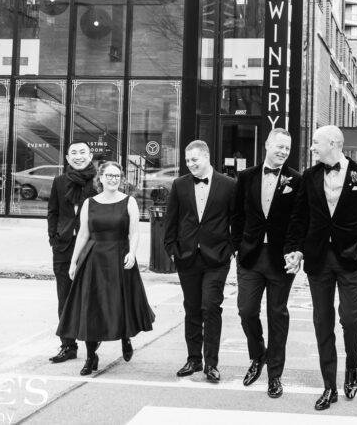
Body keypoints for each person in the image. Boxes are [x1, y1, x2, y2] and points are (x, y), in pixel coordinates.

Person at [285, 125, 357, 412]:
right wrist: (295, 249)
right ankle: (329, 385)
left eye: (316, 143)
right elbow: (298, 217)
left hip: (351, 258)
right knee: (322, 322)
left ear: (334, 144)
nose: (312, 147)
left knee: (351, 319)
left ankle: (351, 363)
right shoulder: (310, 176)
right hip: (318, 259)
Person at [56, 160, 155, 376]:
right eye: (109, 175)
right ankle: (91, 356)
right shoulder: (89, 203)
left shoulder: (129, 202)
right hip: (93, 259)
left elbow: (135, 232)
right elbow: (83, 234)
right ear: (100, 178)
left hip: (119, 256)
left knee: (119, 303)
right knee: (91, 307)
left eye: (116, 176)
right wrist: (73, 262)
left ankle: (125, 338)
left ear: (121, 179)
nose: (113, 179)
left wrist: (132, 252)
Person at [230, 128, 302, 399]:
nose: (283, 152)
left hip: (280, 259)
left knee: (277, 315)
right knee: (246, 311)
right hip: (250, 256)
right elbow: (236, 215)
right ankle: (257, 354)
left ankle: (275, 375)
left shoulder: (297, 180)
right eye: (280, 146)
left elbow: (299, 220)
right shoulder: (246, 176)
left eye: (288, 148)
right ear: (267, 145)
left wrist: (295, 251)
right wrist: (237, 247)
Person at [164, 140, 237, 383]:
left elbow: (236, 221)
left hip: (217, 258)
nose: (190, 164)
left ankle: (211, 364)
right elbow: (171, 219)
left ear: (206, 156)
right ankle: (194, 359)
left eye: (194, 159)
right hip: (187, 257)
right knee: (192, 308)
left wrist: (231, 249)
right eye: (187, 161)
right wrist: (172, 249)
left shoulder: (228, 185)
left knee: (210, 307)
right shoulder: (180, 184)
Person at [46, 141, 99, 364]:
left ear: (91, 155)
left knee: (92, 297)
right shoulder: (59, 182)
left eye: (82, 152)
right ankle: (68, 345)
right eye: (73, 153)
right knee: (64, 298)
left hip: (92, 247)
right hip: (64, 246)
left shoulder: (99, 181)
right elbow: (53, 212)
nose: (78, 156)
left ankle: (93, 344)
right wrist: (54, 238)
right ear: (67, 158)